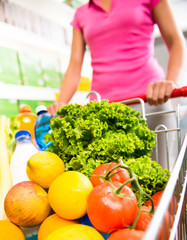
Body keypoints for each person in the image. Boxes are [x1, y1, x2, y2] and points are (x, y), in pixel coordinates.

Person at [47, 0, 186, 170]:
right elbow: (74, 66)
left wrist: (170, 83)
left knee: (163, 180)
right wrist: (62, 103)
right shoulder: (81, 14)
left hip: (151, 102)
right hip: (104, 114)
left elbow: (176, 41)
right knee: (112, 185)